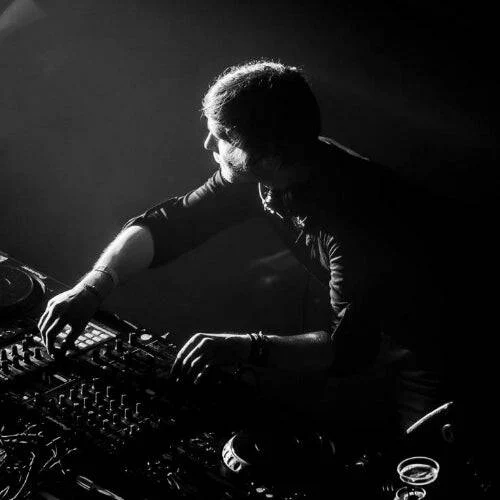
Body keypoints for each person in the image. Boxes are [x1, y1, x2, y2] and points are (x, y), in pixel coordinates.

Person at [37, 60, 482, 439]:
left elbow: (349, 349)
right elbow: (171, 224)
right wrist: (93, 287)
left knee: (427, 465)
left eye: (222, 137)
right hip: (376, 327)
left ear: (269, 155)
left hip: (449, 344)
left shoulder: (352, 223)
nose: (208, 145)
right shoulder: (270, 173)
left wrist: (243, 346)